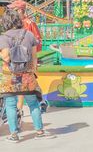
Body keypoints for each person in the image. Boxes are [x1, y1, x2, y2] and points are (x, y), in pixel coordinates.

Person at [0, 9, 55, 142]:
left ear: (6, 22)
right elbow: (34, 58)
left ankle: (14, 134)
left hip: (10, 76)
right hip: (27, 75)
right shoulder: (29, 35)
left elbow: (6, 58)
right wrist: (31, 70)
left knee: (11, 105)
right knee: (33, 104)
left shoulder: (4, 37)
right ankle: (39, 131)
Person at [7, 0, 43, 121]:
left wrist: (33, 61)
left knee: (22, 88)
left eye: (14, 10)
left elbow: (36, 44)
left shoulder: (28, 24)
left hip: (23, 61)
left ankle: (19, 109)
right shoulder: (15, 22)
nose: (11, 12)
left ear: (20, 10)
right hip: (16, 60)